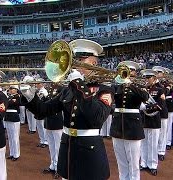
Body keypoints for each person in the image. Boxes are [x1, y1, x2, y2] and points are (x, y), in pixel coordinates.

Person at [20, 39, 113, 180]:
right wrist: (30, 97)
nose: (75, 65)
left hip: (89, 153)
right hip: (67, 149)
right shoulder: (68, 90)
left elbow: (97, 117)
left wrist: (79, 85)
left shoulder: (104, 89)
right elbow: (43, 111)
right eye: (75, 60)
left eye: (81, 60)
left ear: (94, 63)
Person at [110, 61, 149, 180]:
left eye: (130, 72)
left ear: (134, 74)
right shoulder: (116, 86)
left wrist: (130, 84)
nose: (127, 74)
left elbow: (145, 97)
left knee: (133, 162)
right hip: (117, 125)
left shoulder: (139, 86)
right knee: (121, 160)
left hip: (133, 127)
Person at [140, 69, 164, 176]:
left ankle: (153, 165)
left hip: (154, 118)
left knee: (153, 144)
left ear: (154, 78)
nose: (146, 80)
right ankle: (143, 163)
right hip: (144, 118)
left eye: (148, 77)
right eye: (145, 77)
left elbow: (161, 105)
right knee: (143, 143)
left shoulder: (159, 90)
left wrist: (148, 107)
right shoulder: (141, 90)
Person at [42, 83, 64, 179]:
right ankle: (53, 165)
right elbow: (43, 105)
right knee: (51, 146)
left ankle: (59, 168)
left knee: (58, 147)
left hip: (57, 121)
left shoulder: (62, 89)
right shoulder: (49, 88)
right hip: (48, 121)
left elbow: (58, 103)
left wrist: (47, 96)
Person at [152, 66, 169, 161]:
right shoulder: (149, 85)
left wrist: (157, 83)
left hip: (162, 111)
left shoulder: (165, 84)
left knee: (162, 132)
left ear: (162, 74)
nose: (157, 74)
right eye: (155, 72)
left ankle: (161, 151)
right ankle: (153, 152)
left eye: (159, 72)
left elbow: (166, 92)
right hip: (151, 112)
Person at [4, 83, 21, 161]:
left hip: (14, 117)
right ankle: (11, 153)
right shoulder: (8, 97)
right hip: (8, 117)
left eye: (12, 89)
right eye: (10, 89)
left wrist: (9, 101)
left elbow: (14, 103)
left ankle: (16, 154)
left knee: (15, 137)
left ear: (16, 90)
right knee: (10, 137)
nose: (10, 90)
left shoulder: (17, 97)